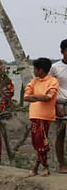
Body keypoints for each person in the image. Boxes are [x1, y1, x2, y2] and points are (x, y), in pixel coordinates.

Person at [24, 57, 60, 177]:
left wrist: (35, 97)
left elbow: (48, 97)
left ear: (40, 70)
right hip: (34, 115)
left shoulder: (53, 81)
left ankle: (45, 167)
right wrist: (41, 97)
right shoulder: (34, 81)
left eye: (35, 69)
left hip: (45, 116)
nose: (33, 71)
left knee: (41, 143)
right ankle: (37, 167)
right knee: (37, 143)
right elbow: (26, 96)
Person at [50, 39, 67, 172]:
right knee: (60, 135)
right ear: (62, 51)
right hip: (61, 105)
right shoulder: (55, 67)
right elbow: (50, 87)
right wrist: (55, 106)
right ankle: (62, 165)